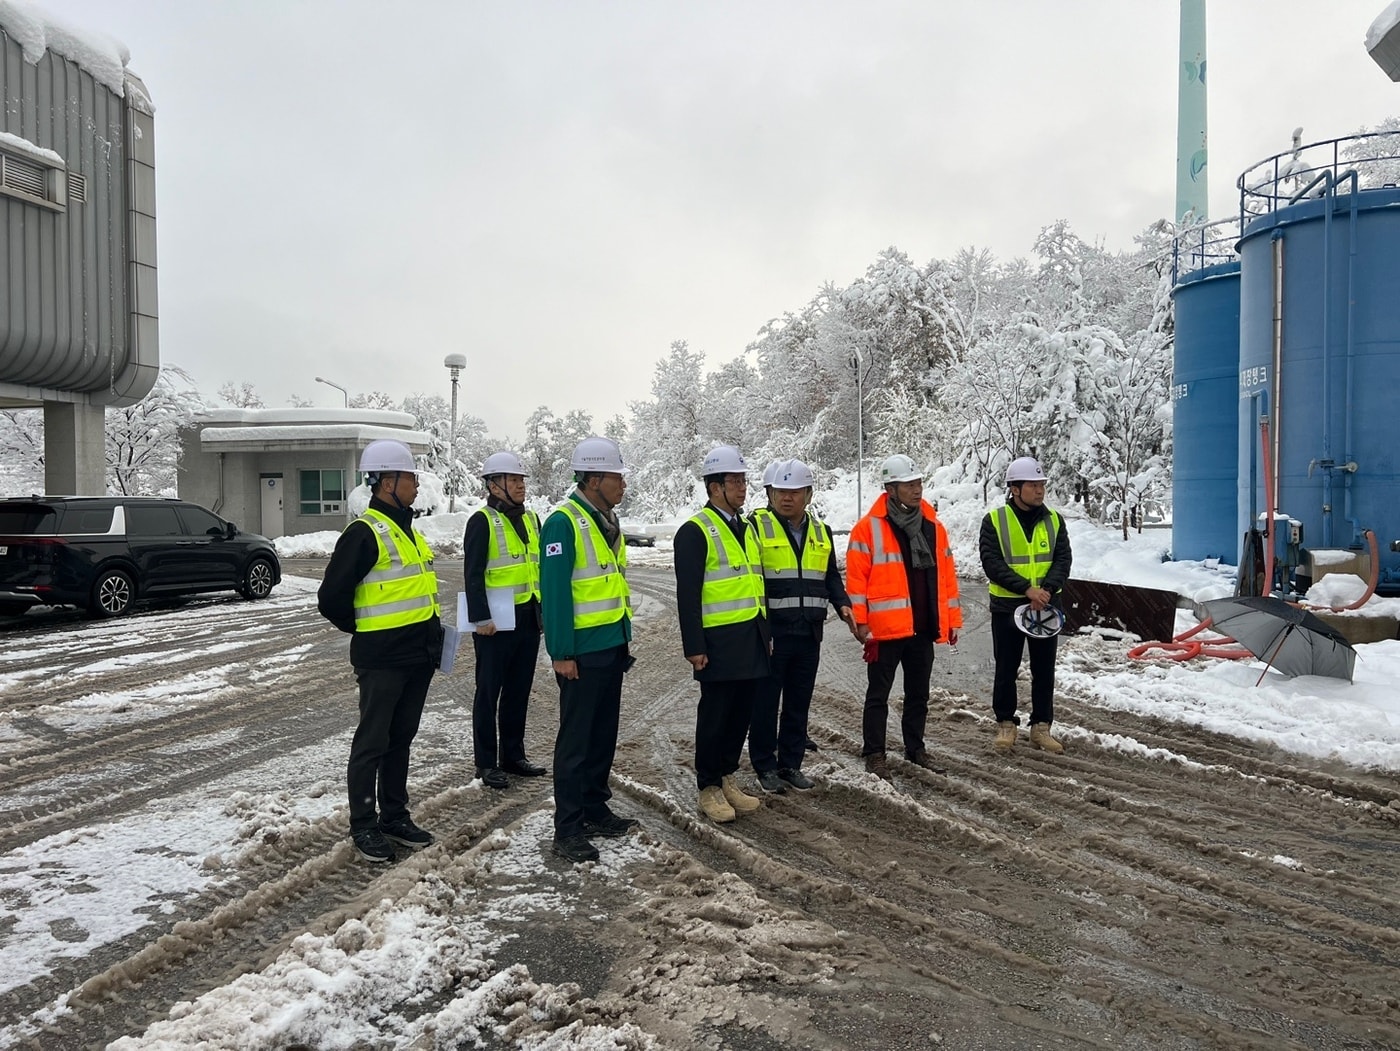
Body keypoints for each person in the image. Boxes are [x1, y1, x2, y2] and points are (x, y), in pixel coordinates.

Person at [318, 439, 441, 863]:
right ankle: (364, 825)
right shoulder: (364, 532)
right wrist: (368, 632)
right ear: (387, 482)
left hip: (416, 656)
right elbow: (331, 597)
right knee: (372, 742)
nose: (415, 483)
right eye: (409, 477)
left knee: (400, 739)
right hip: (383, 659)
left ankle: (394, 816)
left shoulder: (408, 531)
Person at [540, 436, 639, 863]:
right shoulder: (563, 523)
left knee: (602, 737)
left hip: (610, 646)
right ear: (594, 477)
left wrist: (623, 635)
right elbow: (556, 593)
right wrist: (561, 652)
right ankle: (568, 828)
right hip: (580, 652)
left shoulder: (605, 520)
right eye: (617, 476)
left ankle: (595, 807)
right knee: (576, 741)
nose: (623, 484)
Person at [847, 454, 962, 779]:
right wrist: (861, 622)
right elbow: (856, 580)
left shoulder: (934, 527)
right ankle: (875, 752)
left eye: (918, 483)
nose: (916, 490)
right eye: (908, 484)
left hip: (923, 627)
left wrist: (951, 620)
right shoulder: (867, 529)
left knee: (918, 695)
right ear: (891, 489)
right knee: (878, 695)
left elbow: (946, 579)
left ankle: (916, 747)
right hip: (885, 631)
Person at [674, 444, 771, 823]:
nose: (743, 488)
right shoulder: (695, 532)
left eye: (744, 480)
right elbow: (688, 595)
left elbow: (753, 583)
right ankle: (709, 786)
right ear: (715, 487)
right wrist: (694, 645)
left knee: (741, 713)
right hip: (718, 641)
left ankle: (727, 774)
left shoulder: (745, 528)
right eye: (735, 481)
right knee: (715, 714)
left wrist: (767, 635)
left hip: (751, 637)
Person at [747, 458, 855, 793]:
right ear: (772, 493)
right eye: (781, 491)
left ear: (808, 494)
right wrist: (759, 631)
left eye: (795, 492)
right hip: (773, 634)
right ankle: (764, 766)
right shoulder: (756, 527)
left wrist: (843, 605)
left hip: (809, 632)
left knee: (798, 702)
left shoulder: (821, 532)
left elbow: (831, 577)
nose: (787, 498)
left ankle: (790, 764)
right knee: (765, 703)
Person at [463, 450, 546, 790]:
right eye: (513, 480)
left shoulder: (531, 520)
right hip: (494, 625)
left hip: (527, 619)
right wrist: (480, 617)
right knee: (489, 692)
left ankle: (513, 755)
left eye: (521, 480)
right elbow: (472, 575)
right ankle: (486, 762)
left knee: (518, 691)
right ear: (494, 486)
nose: (520, 486)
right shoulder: (481, 521)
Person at [980, 456, 1072, 754]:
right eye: (1033, 485)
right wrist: (1026, 589)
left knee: (1044, 670)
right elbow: (992, 563)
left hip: (1045, 608)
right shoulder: (994, 521)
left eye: (1041, 484)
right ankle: (1006, 724)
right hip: (1008, 607)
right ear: (1015, 489)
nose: (1039, 490)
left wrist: (1046, 589)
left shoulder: (1055, 520)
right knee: (1006, 668)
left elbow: (1062, 559)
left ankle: (1041, 728)